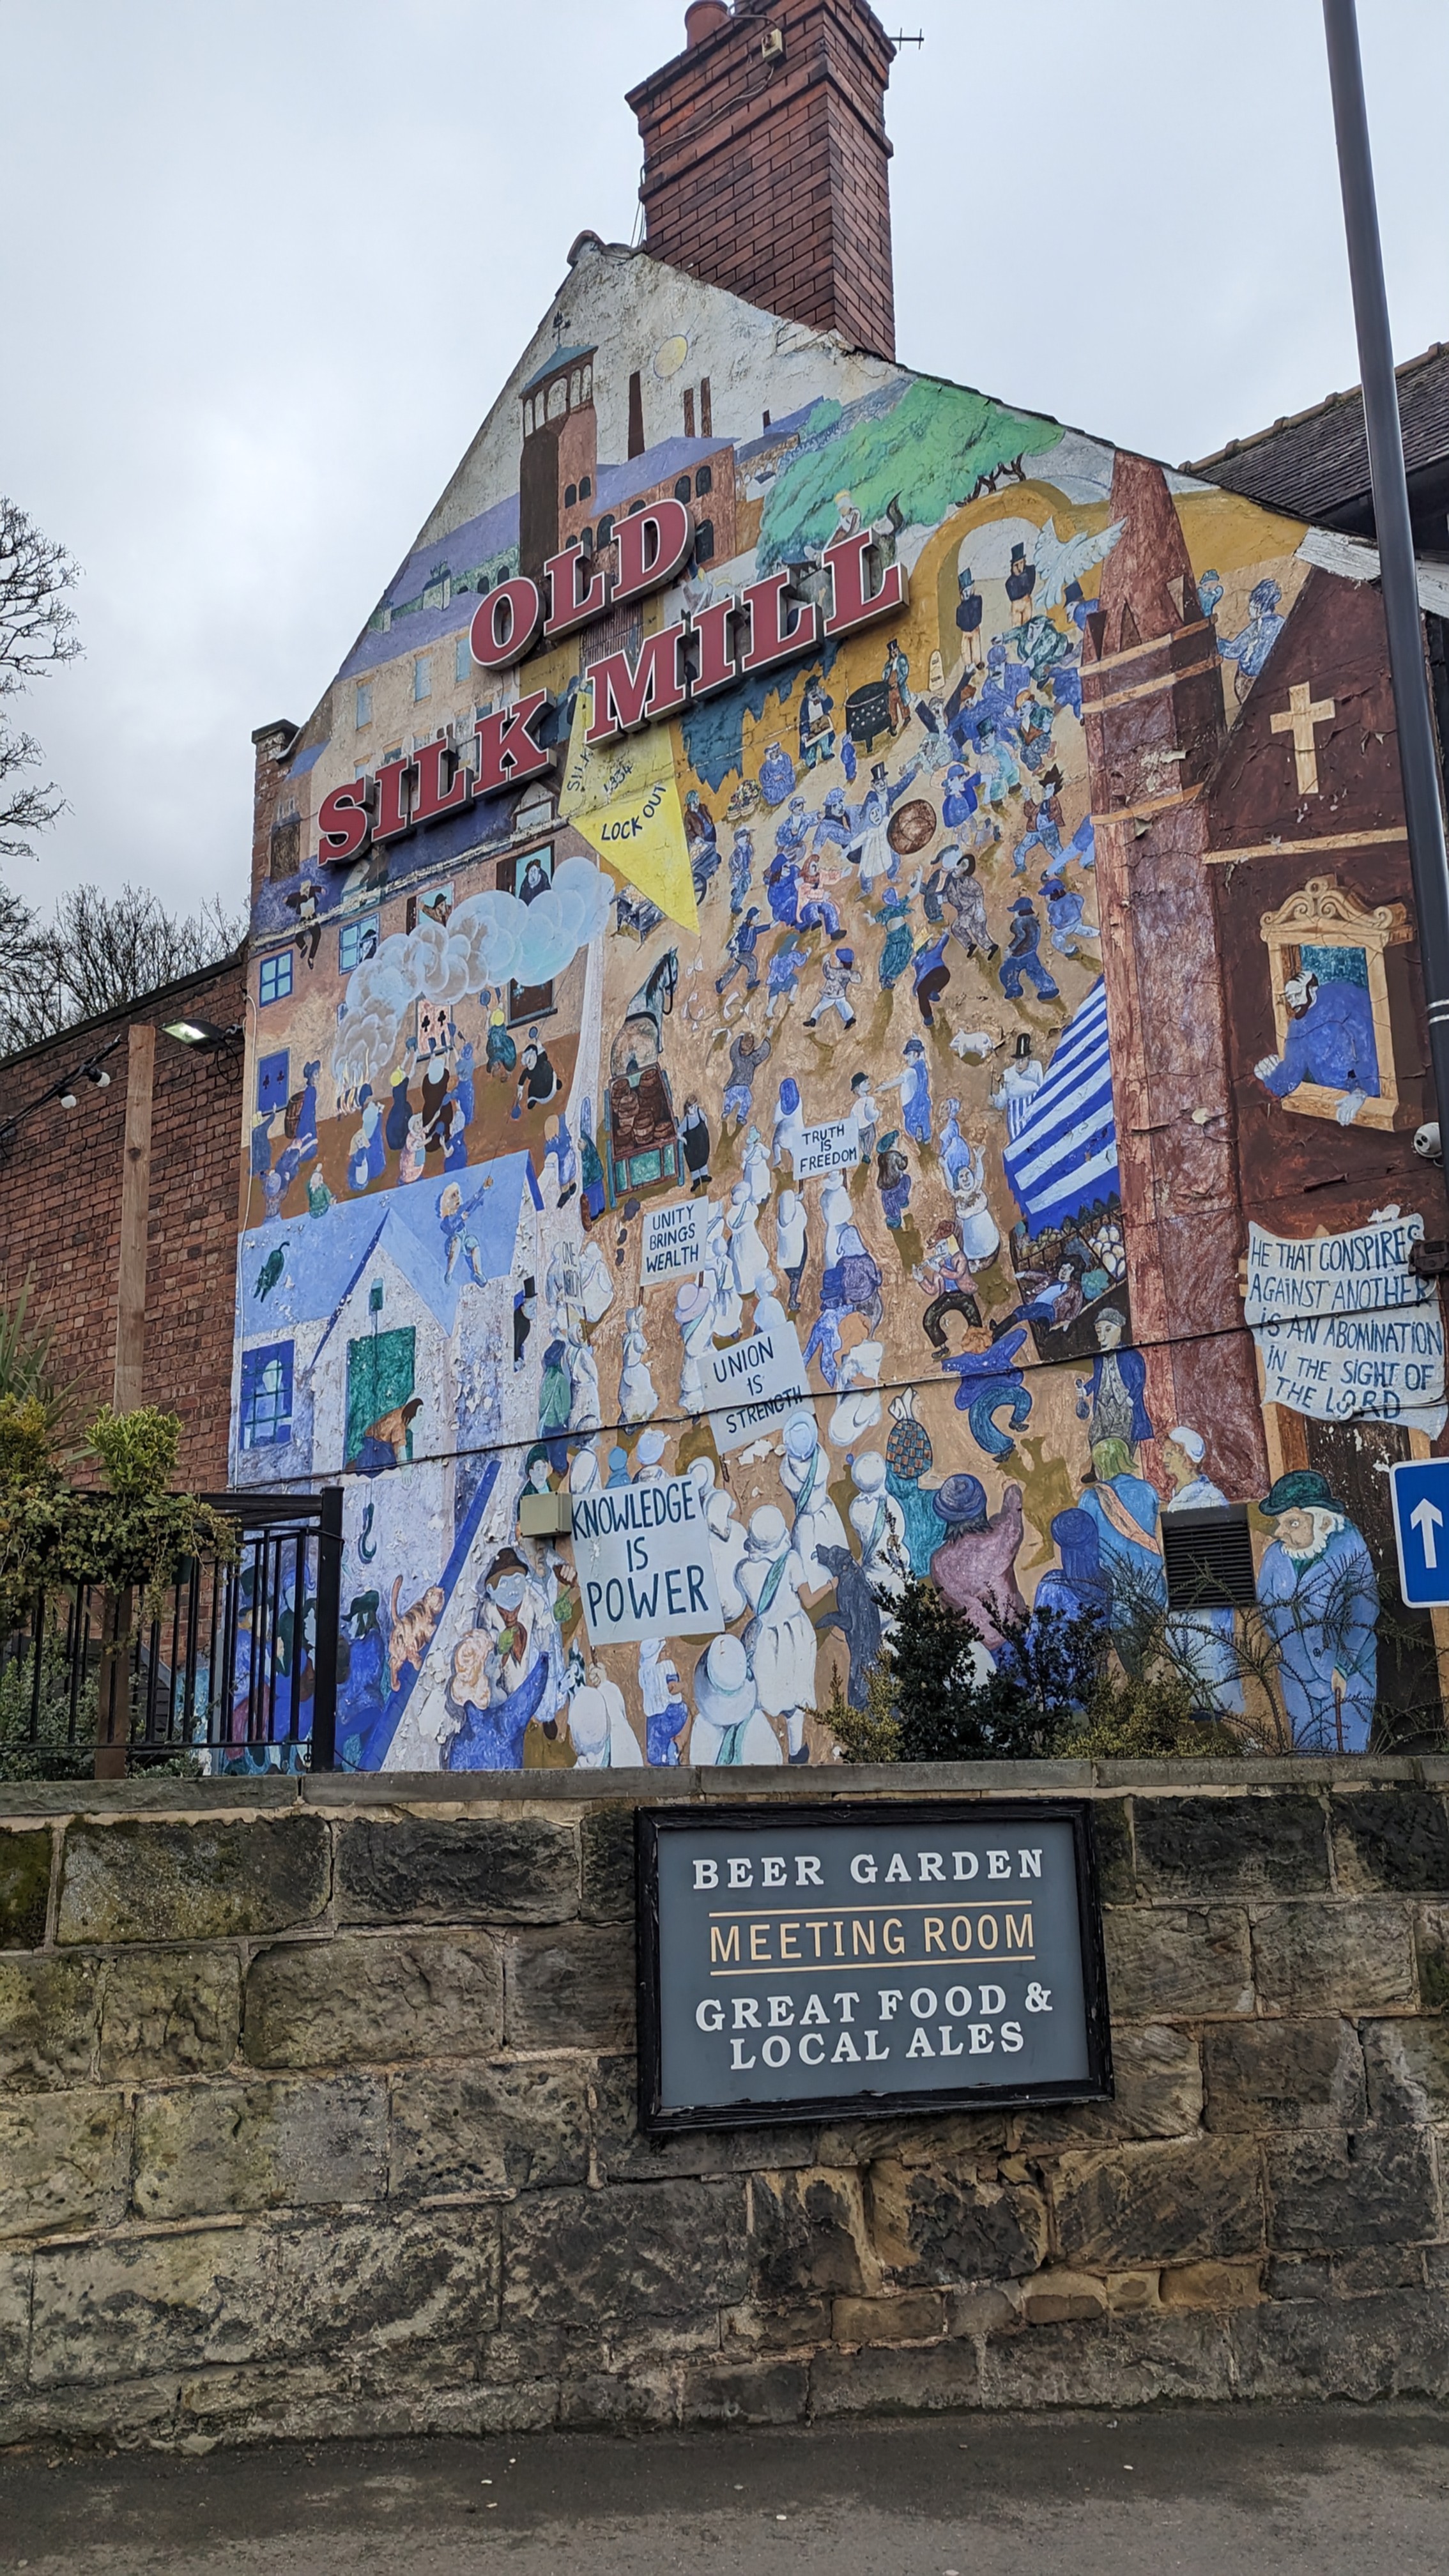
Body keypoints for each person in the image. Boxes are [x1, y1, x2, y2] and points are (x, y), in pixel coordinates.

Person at [1256, 1469, 1377, 1751]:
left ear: (1321, 1520)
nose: (1281, 1533)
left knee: (1347, 1754)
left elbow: (1363, 1608)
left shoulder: (1349, 1545)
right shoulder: (1275, 1557)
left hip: (1347, 1672)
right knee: (1306, 1755)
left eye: (1293, 1522)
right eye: (1280, 1523)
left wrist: (1343, 1665)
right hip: (1297, 1675)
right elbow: (1266, 1607)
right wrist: (1281, 1645)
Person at [739, 1506, 817, 1763]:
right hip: (794, 1635)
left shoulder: (743, 1570)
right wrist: (830, 1586)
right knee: (794, 1698)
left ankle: (764, 1752)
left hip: (764, 1640)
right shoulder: (792, 1560)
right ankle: (795, 1752)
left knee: (764, 1695)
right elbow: (808, 1600)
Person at [1254, 967, 1379, 1126]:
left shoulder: (1342, 1000)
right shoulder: (1297, 1027)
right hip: (1333, 1102)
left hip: (1367, 1090)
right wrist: (1270, 1075)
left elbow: (1368, 1039)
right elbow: (1291, 1075)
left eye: (1297, 994)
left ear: (1312, 989)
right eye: (1290, 997)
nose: (1293, 1002)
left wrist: (1363, 1091)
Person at [779, 1411, 849, 1593]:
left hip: (804, 1522)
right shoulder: (821, 1460)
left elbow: (786, 1474)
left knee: (811, 1567)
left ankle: (822, 1590)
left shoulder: (787, 1471)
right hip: (826, 1512)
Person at [999, 898, 1060, 1002]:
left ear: (1019, 911)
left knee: (1007, 971)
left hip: (1019, 955)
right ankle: (1049, 989)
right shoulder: (1034, 921)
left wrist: (1010, 948)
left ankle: (1014, 989)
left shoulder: (1019, 922)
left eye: (1015, 911)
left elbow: (1021, 936)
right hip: (1031, 952)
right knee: (1037, 971)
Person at [804, 946, 859, 1032]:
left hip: (830, 994)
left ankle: (813, 1019)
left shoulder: (836, 972)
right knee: (843, 1005)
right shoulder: (848, 973)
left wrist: (826, 961)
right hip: (840, 994)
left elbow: (827, 971)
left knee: (820, 1006)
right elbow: (857, 978)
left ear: (841, 962)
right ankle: (850, 1019)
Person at [775, 1187, 808, 1312]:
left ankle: (792, 1297)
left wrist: (797, 1198)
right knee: (796, 1278)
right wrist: (798, 1202)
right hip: (797, 1255)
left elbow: (789, 1205)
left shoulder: (780, 1221)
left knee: (792, 1278)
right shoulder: (798, 1215)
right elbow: (804, 1219)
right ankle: (792, 1301)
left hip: (785, 1257)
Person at [679, 1095, 712, 1192]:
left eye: (695, 1106)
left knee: (703, 1160)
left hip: (701, 1144)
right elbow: (678, 1133)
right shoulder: (686, 1121)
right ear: (688, 1109)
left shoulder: (699, 1112)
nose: (694, 1109)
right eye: (692, 1107)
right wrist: (684, 1140)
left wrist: (705, 1130)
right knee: (694, 1164)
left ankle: (704, 1176)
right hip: (692, 1148)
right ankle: (696, 1181)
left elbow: (705, 1118)